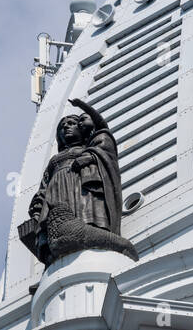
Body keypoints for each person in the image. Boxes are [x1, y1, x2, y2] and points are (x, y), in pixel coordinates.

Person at [21, 99, 128, 266]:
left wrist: (88, 158)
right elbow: (44, 187)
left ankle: (95, 237)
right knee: (55, 226)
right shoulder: (54, 160)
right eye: (62, 127)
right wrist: (37, 206)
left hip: (81, 190)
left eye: (71, 123)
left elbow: (104, 135)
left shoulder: (88, 148)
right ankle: (53, 259)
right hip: (56, 192)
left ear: (82, 128)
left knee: (86, 218)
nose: (66, 128)